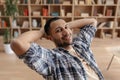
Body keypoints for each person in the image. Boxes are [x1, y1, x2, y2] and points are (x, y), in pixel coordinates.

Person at [10, 17, 104, 80]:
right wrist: (42, 32)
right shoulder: (52, 59)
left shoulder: (80, 45)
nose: (66, 32)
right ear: (50, 37)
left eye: (66, 28)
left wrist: (65, 26)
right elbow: (18, 43)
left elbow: (92, 22)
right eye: (58, 31)